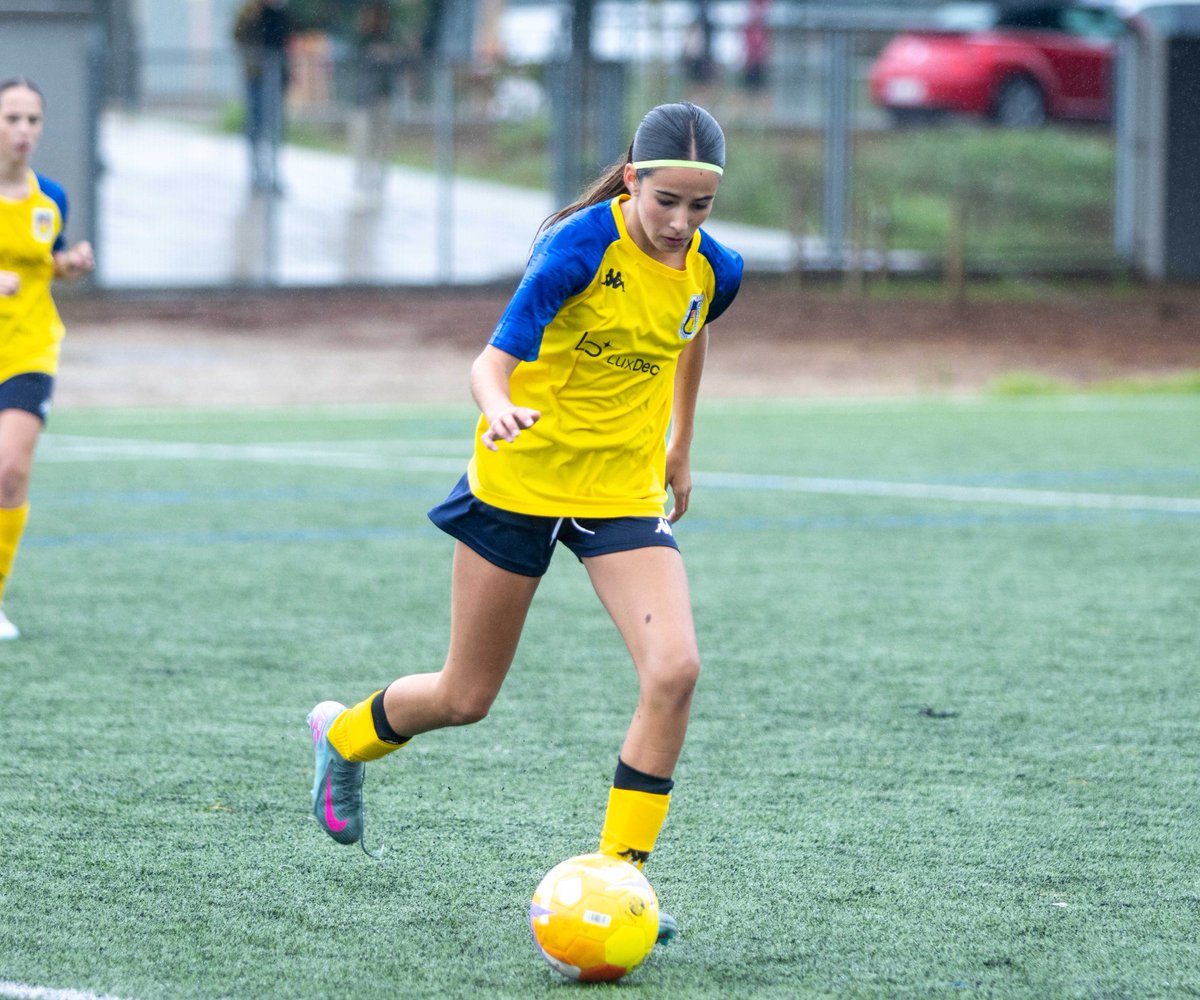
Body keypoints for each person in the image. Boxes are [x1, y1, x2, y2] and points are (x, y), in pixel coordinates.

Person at [306, 102, 743, 940]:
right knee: (466, 696)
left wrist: (682, 444)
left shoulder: (714, 268)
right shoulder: (578, 248)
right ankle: (344, 736)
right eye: (668, 205)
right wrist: (499, 406)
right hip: (521, 479)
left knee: (676, 669)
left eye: (701, 207)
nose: (683, 225)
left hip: (618, 489)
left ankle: (621, 881)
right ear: (631, 179)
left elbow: (691, 331)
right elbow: (490, 360)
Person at [0, 78, 95, 640]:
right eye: (12, 118)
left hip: (30, 347)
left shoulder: (50, 198)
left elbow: (48, 261)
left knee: (10, 471)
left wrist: (70, 264)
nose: (23, 131)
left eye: (33, 120)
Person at [233, 0, 293, 192]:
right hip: (256, 78)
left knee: (274, 127)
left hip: (276, 79)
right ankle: (257, 175)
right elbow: (238, 36)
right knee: (255, 126)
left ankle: (273, 174)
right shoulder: (250, 12)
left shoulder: (281, 12)